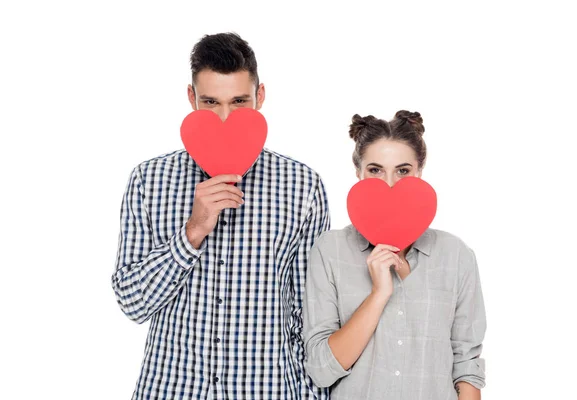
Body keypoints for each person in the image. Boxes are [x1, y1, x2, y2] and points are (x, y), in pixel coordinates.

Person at [112, 32, 329, 400]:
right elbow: (132, 303)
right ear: (191, 99)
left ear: (260, 98)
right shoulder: (148, 180)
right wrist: (193, 231)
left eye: (239, 101)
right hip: (171, 389)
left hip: (266, 390)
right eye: (211, 102)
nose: (225, 117)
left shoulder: (302, 186)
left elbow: (310, 316)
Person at [303, 111, 486, 399]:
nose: (389, 184)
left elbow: (466, 363)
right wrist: (378, 294)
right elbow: (321, 370)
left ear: (419, 173)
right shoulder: (330, 251)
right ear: (358, 174)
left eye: (403, 171)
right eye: (375, 170)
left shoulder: (456, 255)